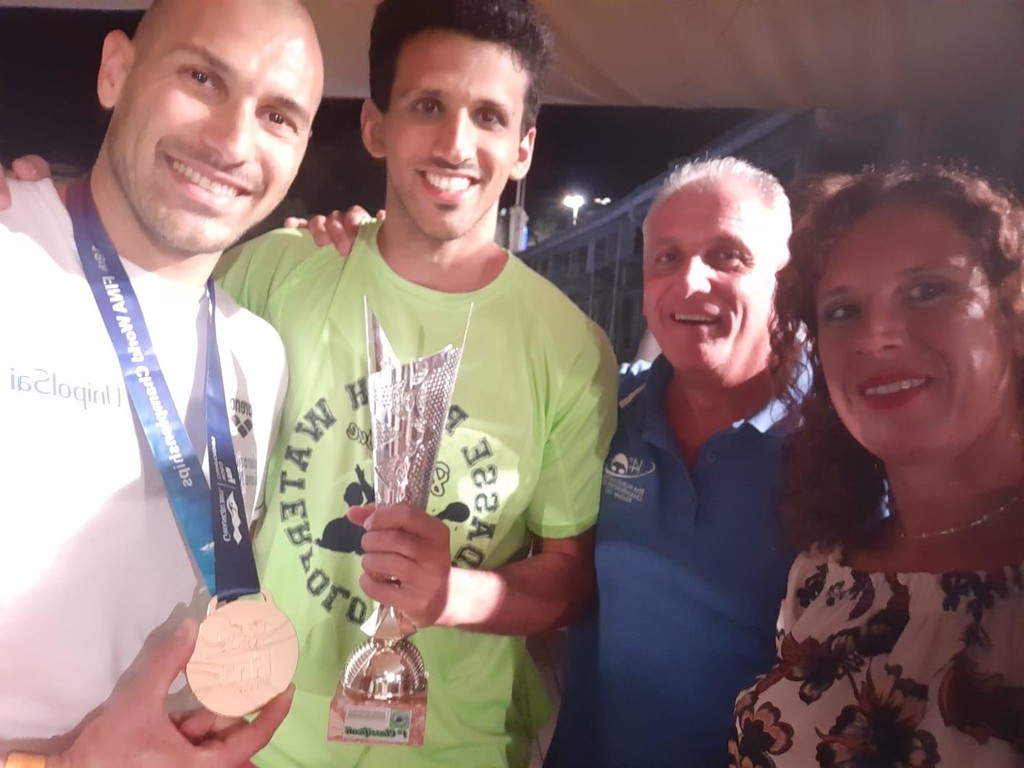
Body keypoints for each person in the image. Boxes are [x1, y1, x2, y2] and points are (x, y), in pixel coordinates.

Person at [217, 1, 617, 766]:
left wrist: (453, 596)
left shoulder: (567, 347)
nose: (456, 143)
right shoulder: (275, 273)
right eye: (427, 105)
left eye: (489, 116)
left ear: (523, 148)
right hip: (259, 736)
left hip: (459, 747)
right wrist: (41, 210)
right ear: (376, 126)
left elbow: (570, 579)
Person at [0, 0, 324, 764]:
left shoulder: (257, 354)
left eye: (278, 116)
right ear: (116, 70)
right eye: (203, 78)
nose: (232, 142)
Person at [730, 166, 1024, 766]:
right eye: (842, 311)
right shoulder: (823, 572)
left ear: (1013, 315)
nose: (879, 335)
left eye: (928, 290)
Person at [546, 157, 802, 767]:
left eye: (728, 256)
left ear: (785, 278)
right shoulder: (603, 407)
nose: (690, 283)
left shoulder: (843, 440)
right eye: (667, 257)